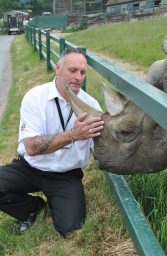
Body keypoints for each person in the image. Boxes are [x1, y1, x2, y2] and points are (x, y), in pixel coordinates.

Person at [0, 48, 104, 236]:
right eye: (72, 70)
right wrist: (73, 135)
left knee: (70, 229)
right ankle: (31, 208)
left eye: (82, 73)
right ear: (58, 69)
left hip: (66, 175)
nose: (78, 77)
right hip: (30, 168)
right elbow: (31, 147)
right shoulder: (35, 97)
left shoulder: (92, 106)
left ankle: (58, 202)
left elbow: (101, 149)